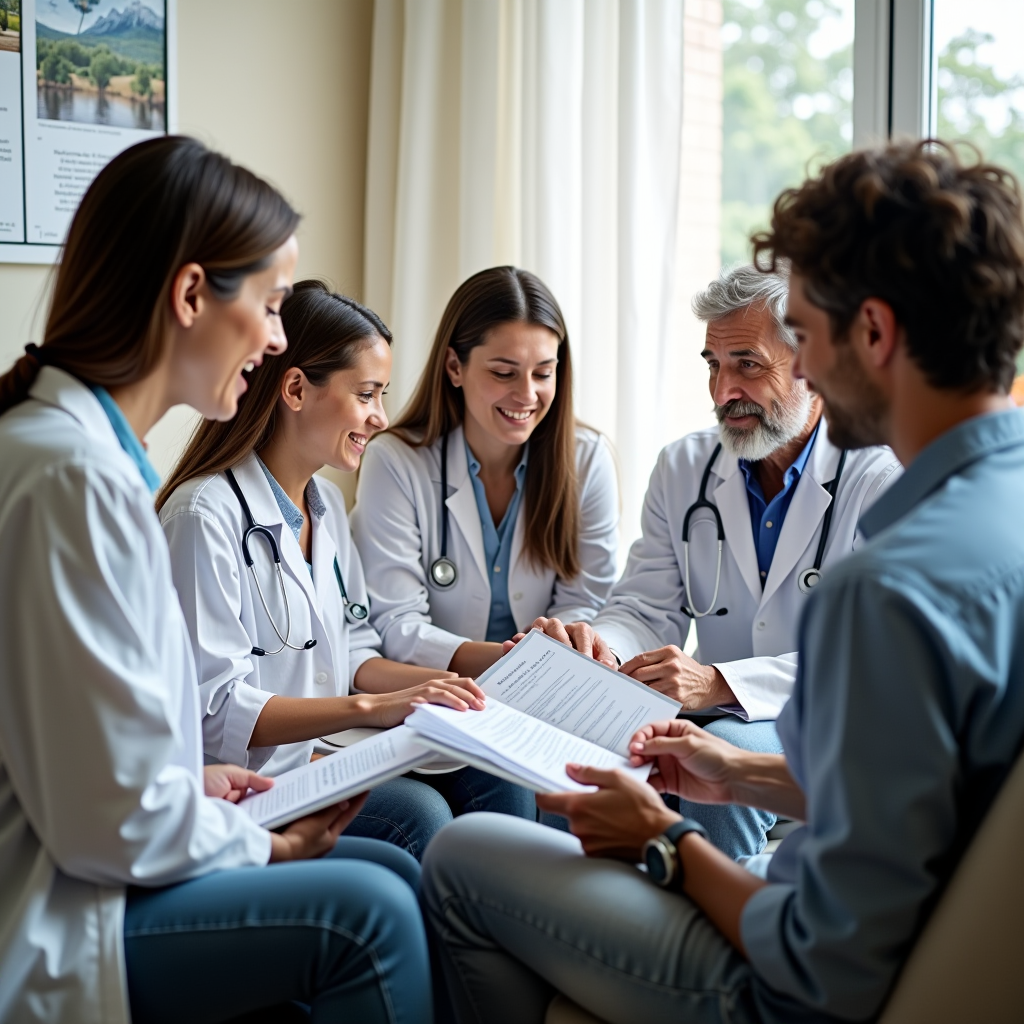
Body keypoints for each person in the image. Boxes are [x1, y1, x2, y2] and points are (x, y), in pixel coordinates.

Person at [420, 139, 1024, 1024]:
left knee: (462, 853)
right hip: (895, 928)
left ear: (876, 334)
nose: (806, 371)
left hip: (791, 990)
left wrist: (666, 843)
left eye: (804, 341)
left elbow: (824, 963)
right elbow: (925, 791)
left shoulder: (890, 588)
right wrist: (733, 772)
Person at [0, 137, 431, 1024]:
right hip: (57, 912)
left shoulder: (76, 461)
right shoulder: (72, 482)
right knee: (371, 912)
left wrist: (192, 784)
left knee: (389, 860)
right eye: (272, 307)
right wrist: (259, 846)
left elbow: (87, 750)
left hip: (98, 847)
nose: (276, 340)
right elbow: (102, 823)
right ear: (192, 295)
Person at [517, 264, 899, 857]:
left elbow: (871, 659)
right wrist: (599, 646)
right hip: (710, 710)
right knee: (578, 740)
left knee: (726, 745)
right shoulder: (683, 467)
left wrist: (718, 681)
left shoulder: (879, 475)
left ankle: (716, 930)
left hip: (828, 724)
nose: (724, 391)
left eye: (748, 364)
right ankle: (581, 917)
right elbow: (645, 606)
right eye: (713, 366)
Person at [158, 279, 489, 860]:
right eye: (367, 394)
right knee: (420, 817)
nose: (381, 418)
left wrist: (428, 692)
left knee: (486, 778)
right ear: (294, 388)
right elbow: (214, 711)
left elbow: (354, 648)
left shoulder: (327, 505)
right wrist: (374, 708)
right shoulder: (203, 514)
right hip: (233, 787)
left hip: (308, 761)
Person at [351, 266, 619, 819]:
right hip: (444, 703)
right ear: (454, 366)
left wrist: (559, 646)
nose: (527, 395)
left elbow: (587, 601)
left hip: (549, 704)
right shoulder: (396, 461)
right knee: (508, 796)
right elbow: (397, 626)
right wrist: (509, 662)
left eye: (544, 372)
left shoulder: (586, 460)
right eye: (504, 372)